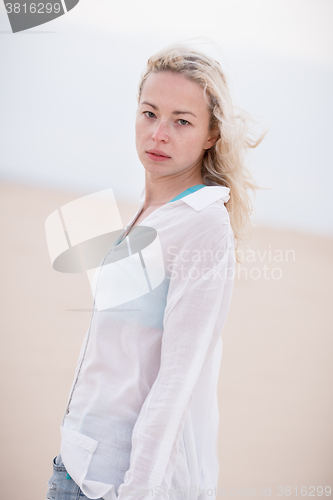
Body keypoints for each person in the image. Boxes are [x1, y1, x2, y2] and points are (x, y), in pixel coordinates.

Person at [46, 42, 265, 500]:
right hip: (75, 462)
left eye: (181, 121)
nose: (159, 133)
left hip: (113, 484)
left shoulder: (202, 224)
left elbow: (176, 381)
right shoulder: (153, 211)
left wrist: (138, 491)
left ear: (211, 135)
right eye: (149, 113)